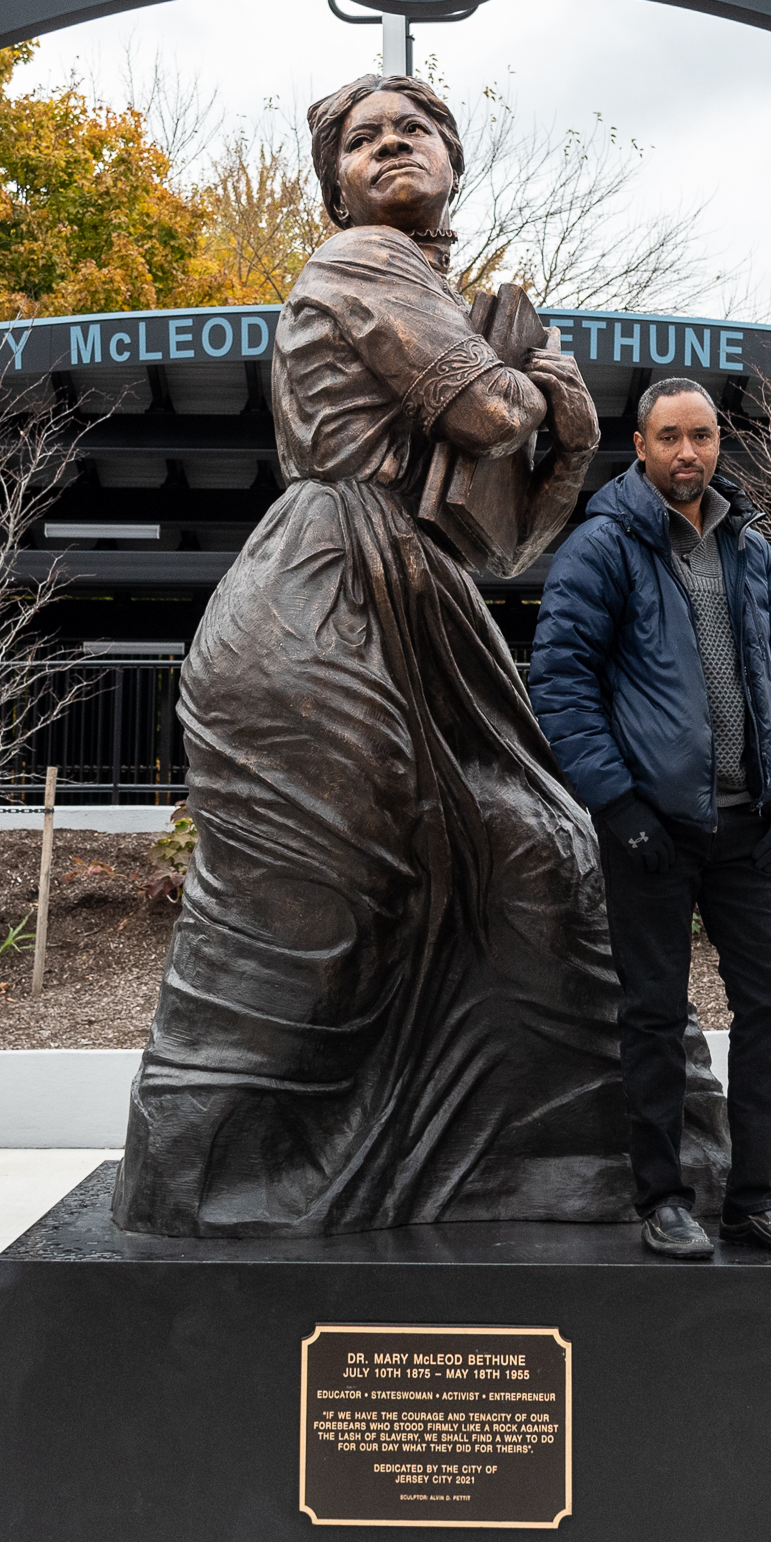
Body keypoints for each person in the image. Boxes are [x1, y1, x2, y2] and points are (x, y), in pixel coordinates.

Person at [115, 73, 664, 1236]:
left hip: (404, 590)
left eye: (412, 130)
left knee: (521, 845)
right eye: (361, 141)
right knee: (324, 893)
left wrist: (537, 390)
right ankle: (209, 1171)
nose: (389, 148)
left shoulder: (425, 283)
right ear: (336, 188)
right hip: (324, 604)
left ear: (455, 160)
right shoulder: (364, 263)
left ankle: (532, 1147)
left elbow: (494, 525)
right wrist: (543, 383)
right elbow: (489, 419)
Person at [528, 376, 771, 1260]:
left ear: (716, 442)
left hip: (749, 830)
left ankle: (754, 1196)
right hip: (651, 833)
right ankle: (662, 1197)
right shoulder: (602, 547)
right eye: (670, 436)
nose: (688, 452)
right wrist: (616, 804)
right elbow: (561, 684)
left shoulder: (752, 550)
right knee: (655, 1016)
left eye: (701, 435)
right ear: (642, 446)